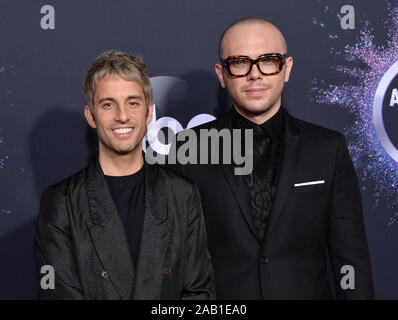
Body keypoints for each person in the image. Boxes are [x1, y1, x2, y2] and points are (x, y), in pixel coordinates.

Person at [168, 18, 374, 299]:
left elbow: (351, 260)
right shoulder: (188, 149)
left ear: (286, 68)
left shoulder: (327, 148)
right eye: (239, 62)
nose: (255, 74)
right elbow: (173, 261)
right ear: (221, 73)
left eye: (268, 60)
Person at [34, 50, 214, 300]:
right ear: (91, 116)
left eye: (132, 103)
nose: (122, 116)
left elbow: (199, 294)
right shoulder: (60, 202)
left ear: (149, 113)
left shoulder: (182, 195)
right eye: (108, 104)